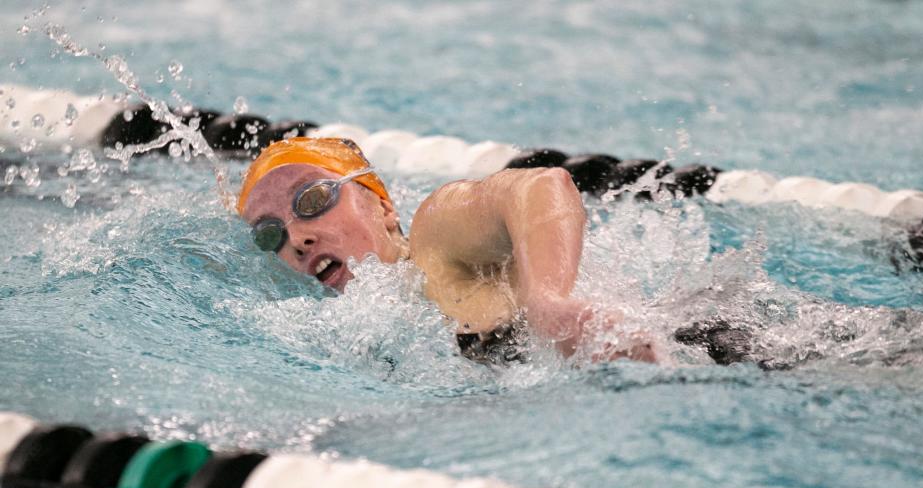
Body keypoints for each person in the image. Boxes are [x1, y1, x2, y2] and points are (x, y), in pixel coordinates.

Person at [237, 137, 659, 364]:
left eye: (312, 201)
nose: (297, 239)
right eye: (269, 234)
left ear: (383, 207)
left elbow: (542, 185)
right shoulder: (354, 329)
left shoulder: (434, 238)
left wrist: (547, 302)